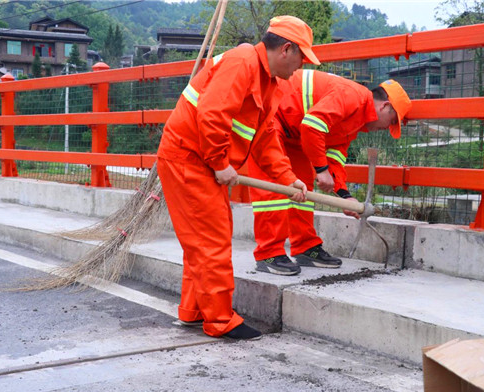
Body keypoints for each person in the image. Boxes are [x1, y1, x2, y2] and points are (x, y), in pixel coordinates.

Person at [156, 16, 321, 340]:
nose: (300, 68)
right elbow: (212, 113)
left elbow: (265, 139)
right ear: (286, 49)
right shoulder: (244, 61)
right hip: (189, 158)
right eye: (302, 58)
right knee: (212, 238)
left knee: (203, 240)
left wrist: (288, 178)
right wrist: (219, 162)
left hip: (200, 161)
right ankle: (219, 320)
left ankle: (193, 310)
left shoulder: (269, 83)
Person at [248, 71, 412, 276]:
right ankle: (269, 253)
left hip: (294, 132)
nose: (387, 128)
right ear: (385, 106)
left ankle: (305, 248)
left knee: (303, 190)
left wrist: (345, 197)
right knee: (274, 190)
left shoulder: (356, 122)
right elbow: (311, 126)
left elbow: (335, 159)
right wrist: (320, 168)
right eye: (392, 121)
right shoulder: (352, 96)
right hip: (272, 115)